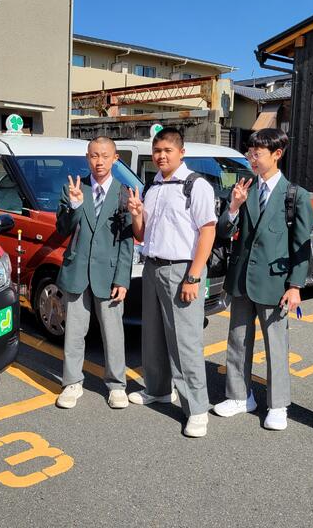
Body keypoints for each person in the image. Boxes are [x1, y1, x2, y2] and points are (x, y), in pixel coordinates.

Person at [214, 128, 313, 431]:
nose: (251, 158)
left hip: (275, 282)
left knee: (276, 345)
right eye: (250, 152)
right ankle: (239, 396)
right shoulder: (245, 188)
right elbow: (224, 231)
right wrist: (234, 206)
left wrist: (295, 286)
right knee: (238, 340)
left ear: (277, 154)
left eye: (257, 153)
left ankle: (278, 404)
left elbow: (301, 245)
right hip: (242, 278)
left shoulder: (295, 195)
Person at [126, 128, 216, 437]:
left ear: (181, 152)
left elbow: (207, 232)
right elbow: (141, 234)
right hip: (152, 267)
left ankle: (197, 409)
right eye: (157, 151)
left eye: (167, 150)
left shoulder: (196, 185)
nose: (161, 156)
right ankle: (158, 389)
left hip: (182, 270)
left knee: (185, 341)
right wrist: (137, 214)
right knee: (153, 335)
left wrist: (194, 275)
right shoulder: (153, 187)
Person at [54, 136, 133, 410]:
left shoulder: (125, 193)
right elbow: (62, 229)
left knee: (113, 333)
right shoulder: (74, 187)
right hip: (77, 270)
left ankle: (117, 385)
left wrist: (122, 278)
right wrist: (75, 206)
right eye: (94, 155)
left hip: (109, 274)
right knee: (74, 332)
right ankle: (72, 382)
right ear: (87, 157)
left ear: (115, 158)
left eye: (105, 156)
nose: (99, 161)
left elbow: (127, 241)